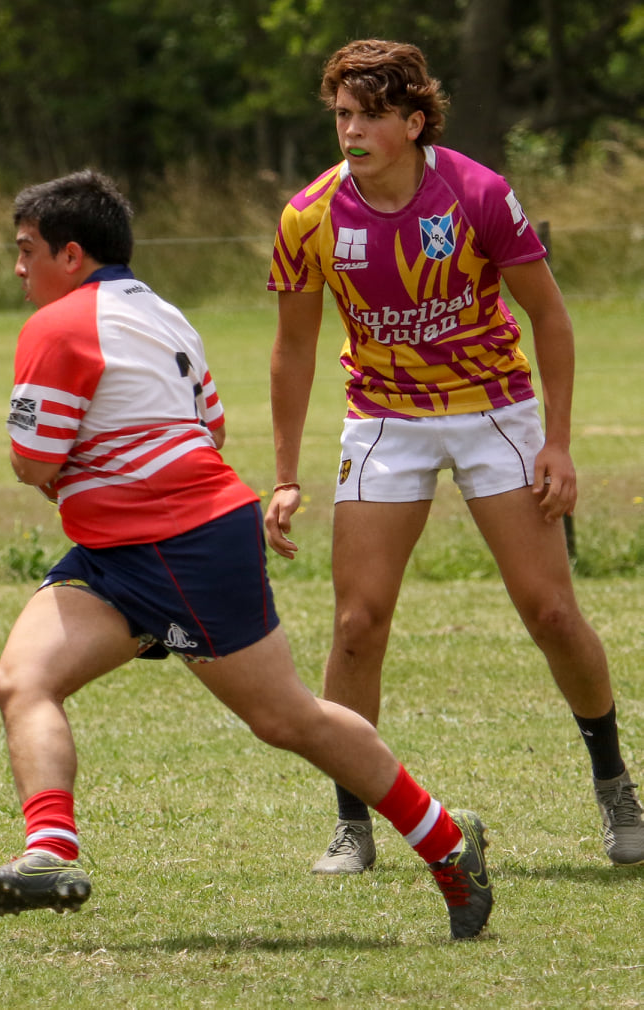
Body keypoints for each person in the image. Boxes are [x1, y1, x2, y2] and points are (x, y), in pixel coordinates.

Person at [0, 169, 492, 941]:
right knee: (21, 680)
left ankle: (446, 843)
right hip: (119, 548)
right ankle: (49, 853)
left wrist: (94, 476)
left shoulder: (57, 325)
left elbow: (33, 461)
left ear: (69, 255)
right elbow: (209, 426)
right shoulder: (164, 314)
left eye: (25, 250)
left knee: (287, 719)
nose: (17, 268)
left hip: (181, 544)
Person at [265, 39, 643, 874]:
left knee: (549, 612)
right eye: (341, 115)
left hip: (490, 413)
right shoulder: (310, 215)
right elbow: (293, 350)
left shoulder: (476, 193)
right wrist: (286, 476)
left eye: (368, 116)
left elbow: (549, 316)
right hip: (382, 420)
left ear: (411, 120)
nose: (351, 130)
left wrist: (558, 441)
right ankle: (351, 823)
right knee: (357, 625)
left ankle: (615, 785)